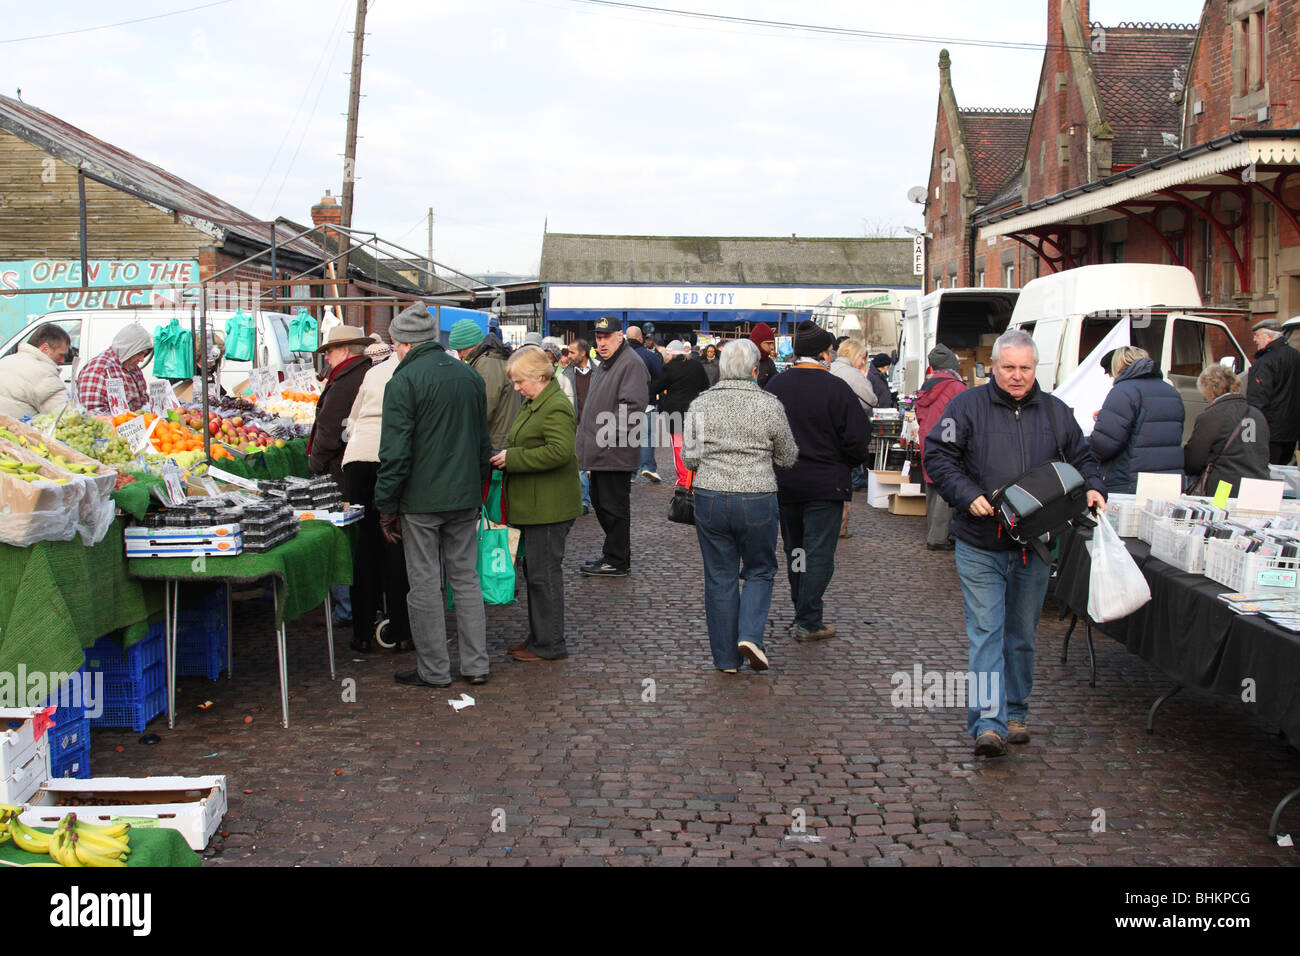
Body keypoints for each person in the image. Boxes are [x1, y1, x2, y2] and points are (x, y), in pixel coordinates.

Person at [924, 329, 1105, 758]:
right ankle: (989, 722)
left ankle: (1017, 711)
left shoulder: (1058, 412)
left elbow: (1083, 457)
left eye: (1025, 368)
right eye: (1009, 368)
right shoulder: (965, 406)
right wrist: (969, 496)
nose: (1017, 376)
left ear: (1035, 368)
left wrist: (1094, 486)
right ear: (994, 367)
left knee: (1021, 634)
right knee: (987, 632)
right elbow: (938, 456)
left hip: (1036, 545)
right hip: (980, 542)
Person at [375, 305, 493, 689]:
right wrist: (478, 487)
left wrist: (386, 505)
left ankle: (435, 670)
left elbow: (394, 453)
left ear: (403, 344)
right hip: (463, 496)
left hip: (420, 501)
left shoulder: (403, 382)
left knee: (425, 584)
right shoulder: (468, 376)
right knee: (466, 580)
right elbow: (482, 443)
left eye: (394, 345)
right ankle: (476, 665)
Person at [684, 339, 799, 674]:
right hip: (757, 496)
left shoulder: (701, 404)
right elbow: (787, 456)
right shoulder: (770, 404)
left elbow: (690, 458)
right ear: (754, 370)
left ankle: (725, 659)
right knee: (760, 570)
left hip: (710, 495)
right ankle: (750, 634)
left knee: (719, 576)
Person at [765, 320, 874, 642]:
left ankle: (802, 606)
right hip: (825, 484)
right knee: (818, 553)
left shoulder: (776, 386)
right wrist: (848, 464)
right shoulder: (836, 388)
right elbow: (857, 439)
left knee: (796, 550)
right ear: (825, 353)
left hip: (787, 483)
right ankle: (809, 618)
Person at [490, 347, 582, 662]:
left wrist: (512, 458)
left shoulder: (554, 406)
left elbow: (559, 452)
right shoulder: (537, 403)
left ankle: (550, 644)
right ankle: (539, 637)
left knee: (544, 575)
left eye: (519, 381)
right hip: (538, 505)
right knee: (537, 573)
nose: (516, 388)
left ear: (538, 377)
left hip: (549, 507)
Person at [341, 319, 414, 655]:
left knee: (365, 546)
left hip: (359, 457)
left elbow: (353, 419)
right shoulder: (415, 371)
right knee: (395, 543)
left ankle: (362, 632)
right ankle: (401, 631)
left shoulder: (374, 373)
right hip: (392, 457)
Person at [574, 316, 650, 576]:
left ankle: (617, 559)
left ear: (620, 336)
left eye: (607, 336)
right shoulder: (607, 363)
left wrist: (603, 439)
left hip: (614, 451)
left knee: (613, 507)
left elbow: (632, 408)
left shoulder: (630, 364)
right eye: (598, 337)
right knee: (602, 503)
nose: (602, 342)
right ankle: (613, 555)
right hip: (603, 451)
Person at [1087, 346, 1185, 494]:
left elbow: (1104, 444)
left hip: (1130, 481)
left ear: (1117, 366)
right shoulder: (1172, 392)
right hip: (1169, 482)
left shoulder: (1124, 391)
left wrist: (1079, 445)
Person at [1183, 364, 1271, 496]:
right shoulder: (1257, 414)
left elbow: (1193, 461)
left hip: (1224, 487)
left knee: (1221, 515)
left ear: (1211, 391)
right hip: (1258, 489)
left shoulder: (1212, 416)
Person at [914, 344, 967, 550]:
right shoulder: (956, 387)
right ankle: (938, 537)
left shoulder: (927, 386)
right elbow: (963, 417)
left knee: (932, 486)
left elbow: (920, 415)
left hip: (928, 439)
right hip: (947, 441)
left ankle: (933, 531)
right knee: (947, 485)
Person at [308, 325, 373, 488]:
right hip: (363, 465)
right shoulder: (368, 373)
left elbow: (330, 429)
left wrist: (315, 464)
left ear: (344, 351)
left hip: (342, 470)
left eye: (329, 352)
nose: (326, 357)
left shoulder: (344, 382)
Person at [828, 338, 877, 537]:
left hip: (827, 433)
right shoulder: (850, 374)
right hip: (843, 433)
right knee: (842, 481)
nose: (863, 363)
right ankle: (841, 526)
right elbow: (871, 400)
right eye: (863, 358)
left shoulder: (830, 369)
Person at [448, 318, 521, 450]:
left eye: (461, 350)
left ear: (471, 344)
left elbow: (484, 408)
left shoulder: (487, 364)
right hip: (502, 438)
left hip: (496, 443)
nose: (460, 356)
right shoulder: (492, 358)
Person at [649, 340, 711, 487]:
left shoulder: (669, 368)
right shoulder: (697, 366)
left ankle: (684, 479)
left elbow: (655, 388)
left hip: (675, 413)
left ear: (670, 353)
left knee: (678, 447)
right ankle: (695, 477)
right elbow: (706, 387)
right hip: (696, 412)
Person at [1245, 318, 1300, 465]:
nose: (1254, 339)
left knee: (1266, 476)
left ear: (1268, 337)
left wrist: (1249, 435)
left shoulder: (1265, 362)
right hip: (1292, 432)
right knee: (1285, 475)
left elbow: (1257, 401)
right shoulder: (1296, 357)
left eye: (1257, 335)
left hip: (1270, 433)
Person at [74, 322, 153, 413]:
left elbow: (143, 400)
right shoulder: (99, 369)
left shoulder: (134, 368)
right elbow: (93, 412)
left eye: (145, 354)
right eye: (139, 353)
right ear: (128, 349)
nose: (142, 359)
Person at [0, 323, 71, 419]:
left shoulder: (5, 361)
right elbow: (66, 413)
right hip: (19, 431)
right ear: (45, 348)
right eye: (60, 355)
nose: (62, 361)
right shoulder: (43, 372)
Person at [625, 326, 663, 483]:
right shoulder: (650, 356)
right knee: (647, 436)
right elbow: (660, 377)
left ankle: (630, 473)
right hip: (646, 402)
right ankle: (648, 466)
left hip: (625, 403)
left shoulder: (620, 356)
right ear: (640, 338)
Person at [562, 339, 595, 515]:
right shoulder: (565, 374)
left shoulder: (600, 371)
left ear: (583, 353)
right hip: (576, 425)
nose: (568, 356)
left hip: (598, 425)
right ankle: (583, 501)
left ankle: (596, 497)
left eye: (572, 352)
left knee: (597, 463)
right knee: (580, 463)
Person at [749, 323, 778, 387]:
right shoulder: (741, 359)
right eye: (769, 343)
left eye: (773, 343)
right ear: (758, 342)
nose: (772, 347)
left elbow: (776, 383)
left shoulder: (769, 362)